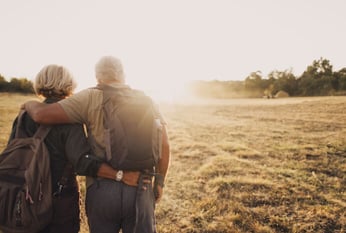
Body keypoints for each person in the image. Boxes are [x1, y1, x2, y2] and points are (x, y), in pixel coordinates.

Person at [23, 56, 171, 233]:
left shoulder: (89, 97)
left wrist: (29, 104)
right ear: (123, 74)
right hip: (141, 185)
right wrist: (159, 181)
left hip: (102, 189)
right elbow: (165, 145)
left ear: (97, 76)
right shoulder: (148, 100)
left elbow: (42, 115)